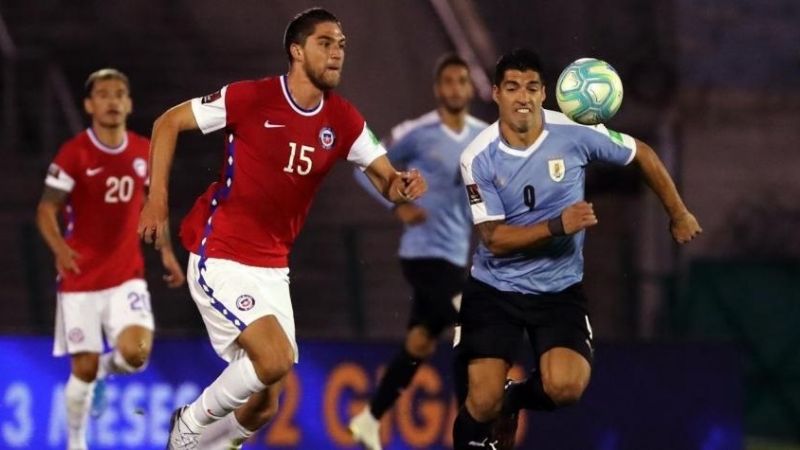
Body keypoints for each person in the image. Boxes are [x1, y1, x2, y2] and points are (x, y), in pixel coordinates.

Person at [137, 8, 427, 450]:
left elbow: (386, 177)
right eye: (325, 43)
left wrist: (402, 185)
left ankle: (209, 446)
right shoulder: (251, 98)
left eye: (341, 45)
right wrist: (156, 199)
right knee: (273, 359)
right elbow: (168, 122)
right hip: (221, 252)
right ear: (297, 50)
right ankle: (189, 426)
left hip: (273, 266)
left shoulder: (344, 120)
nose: (336, 54)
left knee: (264, 404)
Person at [451, 49, 702, 450]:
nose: (523, 97)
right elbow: (494, 239)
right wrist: (558, 225)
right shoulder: (478, 156)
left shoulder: (573, 131)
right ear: (496, 93)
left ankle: (514, 399)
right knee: (482, 401)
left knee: (566, 388)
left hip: (558, 292)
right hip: (495, 291)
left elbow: (644, 154)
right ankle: (496, 405)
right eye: (513, 88)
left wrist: (679, 212)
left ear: (545, 93)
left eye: (532, 88)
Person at [36, 68, 185, 450]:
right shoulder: (75, 153)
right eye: (103, 94)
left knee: (136, 354)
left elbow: (155, 207)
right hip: (80, 278)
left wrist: (166, 251)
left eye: (120, 93)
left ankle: (107, 368)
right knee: (81, 370)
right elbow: (46, 210)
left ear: (129, 103)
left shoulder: (142, 151)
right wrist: (59, 248)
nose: (113, 100)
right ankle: (76, 443)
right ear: (89, 105)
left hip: (125, 276)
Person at [348, 53, 487, 450]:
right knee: (469, 325)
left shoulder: (483, 136)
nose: (456, 89)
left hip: (457, 254)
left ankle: (370, 418)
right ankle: (470, 436)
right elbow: (365, 167)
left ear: (468, 88)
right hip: (422, 256)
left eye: (463, 82)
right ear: (438, 88)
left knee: (420, 343)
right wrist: (397, 204)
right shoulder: (418, 132)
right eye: (449, 82)